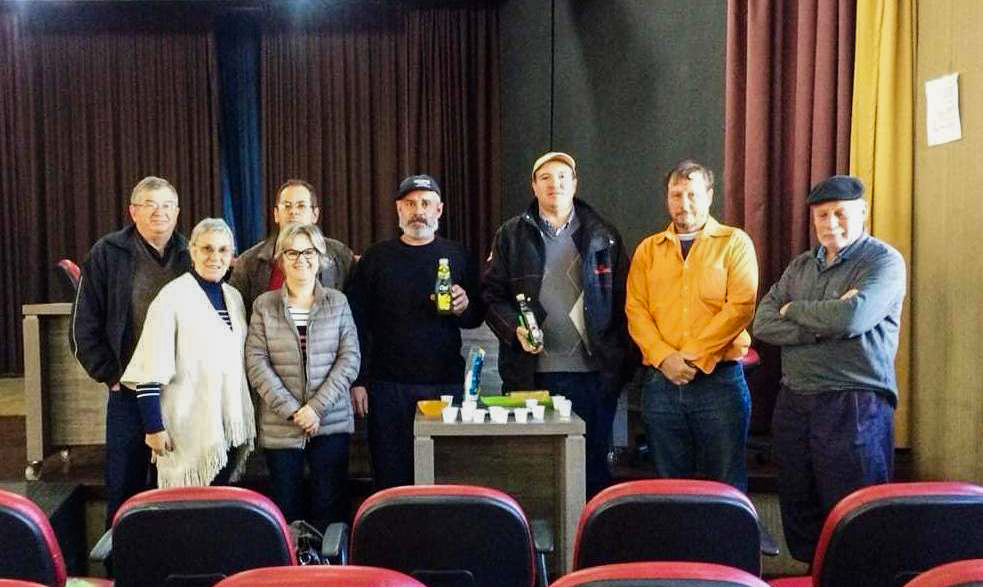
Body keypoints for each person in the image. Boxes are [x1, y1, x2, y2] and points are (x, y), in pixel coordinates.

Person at [752, 175, 905, 562]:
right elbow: (763, 323)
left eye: (840, 213)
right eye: (822, 215)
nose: (831, 223)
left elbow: (854, 318)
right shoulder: (800, 266)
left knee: (856, 514)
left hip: (853, 403)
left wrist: (793, 310)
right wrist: (826, 325)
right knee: (799, 507)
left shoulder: (883, 261)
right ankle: (811, 576)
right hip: (794, 401)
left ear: (863, 212)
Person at [482, 152, 632, 498]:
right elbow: (491, 296)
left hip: (594, 376)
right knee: (531, 472)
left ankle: (591, 532)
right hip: (530, 374)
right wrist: (514, 330)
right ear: (534, 186)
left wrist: (620, 362)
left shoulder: (604, 235)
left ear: (575, 184)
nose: (555, 184)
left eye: (563, 177)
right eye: (546, 178)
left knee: (592, 469)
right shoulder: (511, 235)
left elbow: (626, 301)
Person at [625, 160, 758, 492]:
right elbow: (636, 310)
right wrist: (665, 358)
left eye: (692, 194)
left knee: (726, 483)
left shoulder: (734, 243)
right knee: (669, 484)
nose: (683, 203)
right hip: (661, 383)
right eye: (676, 194)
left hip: (719, 382)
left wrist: (691, 356)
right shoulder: (648, 250)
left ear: (709, 196)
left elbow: (740, 308)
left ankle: (727, 532)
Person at [346, 174, 485, 489]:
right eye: (410, 204)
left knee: (443, 478)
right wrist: (359, 380)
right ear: (399, 209)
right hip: (387, 387)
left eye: (425, 203)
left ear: (439, 210)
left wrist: (464, 307)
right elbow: (356, 324)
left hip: (445, 384)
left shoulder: (458, 255)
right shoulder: (375, 258)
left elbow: (476, 316)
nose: (418, 211)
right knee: (390, 478)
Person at [70, 176, 191, 527]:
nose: (159, 213)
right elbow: (82, 327)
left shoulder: (191, 253)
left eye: (167, 205)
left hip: (180, 392)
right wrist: (110, 375)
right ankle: (120, 557)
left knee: (176, 488)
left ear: (177, 212)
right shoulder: (107, 254)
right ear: (133, 212)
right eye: (149, 205)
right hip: (128, 392)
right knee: (124, 487)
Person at [120, 218, 255, 487]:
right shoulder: (172, 298)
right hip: (186, 429)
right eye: (207, 248)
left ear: (232, 256)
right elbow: (149, 369)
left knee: (219, 501)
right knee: (189, 503)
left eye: (223, 250)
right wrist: (153, 427)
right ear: (192, 251)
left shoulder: (234, 297)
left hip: (227, 426)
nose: (215, 257)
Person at [246, 223, 361, 530]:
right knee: (286, 509)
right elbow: (256, 363)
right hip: (281, 424)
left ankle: (330, 562)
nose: (301, 259)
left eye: (308, 252)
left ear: (320, 257)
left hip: (330, 421)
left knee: (330, 506)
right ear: (281, 260)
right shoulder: (264, 305)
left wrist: (315, 409)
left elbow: (350, 359)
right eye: (292, 253)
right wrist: (294, 411)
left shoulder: (338, 302)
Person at [231, 179, 355, 320]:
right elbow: (237, 318)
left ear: (315, 215)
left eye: (301, 206)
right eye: (287, 206)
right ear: (276, 214)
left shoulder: (341, 256)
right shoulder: (249, 262)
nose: (293, 212)